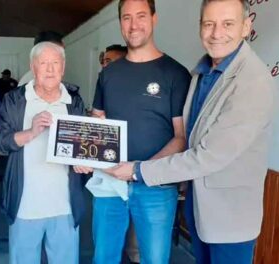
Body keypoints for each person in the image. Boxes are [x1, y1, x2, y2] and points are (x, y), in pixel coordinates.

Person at [103, 0, 276, 263]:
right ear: (200, 27)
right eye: (209, 24)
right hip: (200, 210)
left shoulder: (251, 81)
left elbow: (208, 155)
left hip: (230, 219)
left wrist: (138, 170)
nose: (217, 33)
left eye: (227, 24)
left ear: (246, 26)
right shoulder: (203, 72)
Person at [76, 0, 191, 263]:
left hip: (156, 186)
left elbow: (180, 136)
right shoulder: (108, 75)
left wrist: (140, 170)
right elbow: (97, 124)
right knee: (104, 257)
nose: (133, 24)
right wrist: (83, 153)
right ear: (120, 23)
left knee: (153, 259)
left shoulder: (175, 73)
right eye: (126, 17)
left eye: (141, 16)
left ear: (154, 18)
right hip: (109, 183)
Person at [0, 41, 86, 264]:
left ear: (63, 67)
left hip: (65, 206)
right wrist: (31, 132)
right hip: (25, 206)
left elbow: (82, 146)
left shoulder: (73, 101)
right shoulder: (15, 100)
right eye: (44, 63)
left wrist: (85, 161)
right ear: (33, 67)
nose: (51, 69)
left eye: (56, 63)